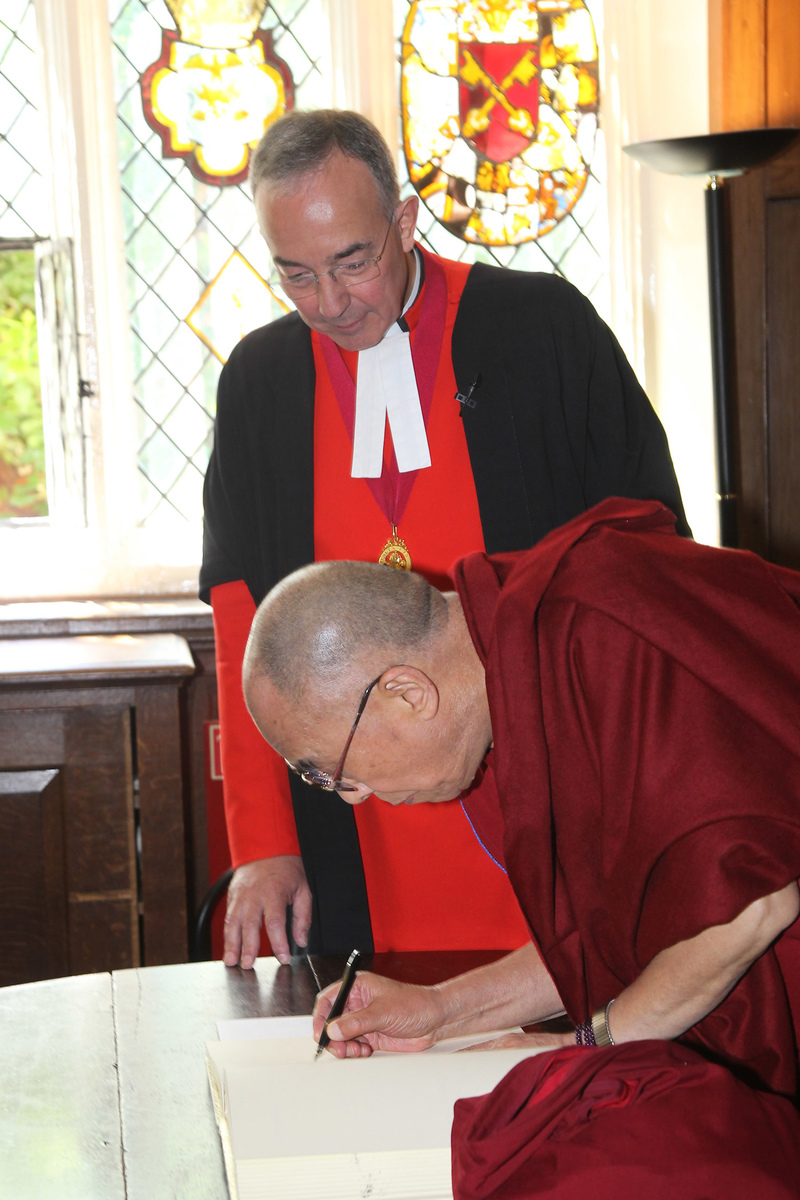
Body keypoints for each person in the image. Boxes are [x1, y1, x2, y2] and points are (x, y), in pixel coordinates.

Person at [200, 108, 689, 968]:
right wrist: (263, 840)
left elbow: (644, 566)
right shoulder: (260, 382)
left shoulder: (540, 331)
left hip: (546, 782)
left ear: (404, 220)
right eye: (297, 275)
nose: (332, 303)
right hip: (350, 814)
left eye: (354, 261)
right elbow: (247, 627)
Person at [242, 497, 800, 1107]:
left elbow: (747, 907)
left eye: (332, 771)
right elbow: (622, 930)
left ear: (405, 692)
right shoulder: (520, 656)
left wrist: (583, 1048)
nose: (353, 797)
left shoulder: (600, 628)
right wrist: (442, 1010)